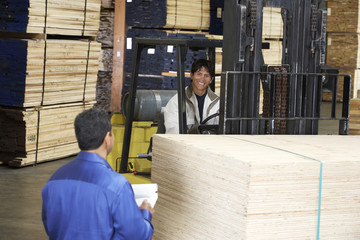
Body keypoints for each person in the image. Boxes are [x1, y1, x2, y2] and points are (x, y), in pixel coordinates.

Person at [41, 108, 154, 240]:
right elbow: (136, 235)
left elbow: (50, 227)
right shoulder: (116, 185)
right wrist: (145, 214)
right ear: (107, 138)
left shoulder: (54, 180)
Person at [164, 59, 220, 134]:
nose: (202, 79)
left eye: (206, 75)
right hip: (184, 144)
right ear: (191, 75)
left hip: (209, 144)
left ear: (211, 80)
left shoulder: (218, 102)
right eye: (199, 74)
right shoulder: (177, 101)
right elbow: (173, 131)